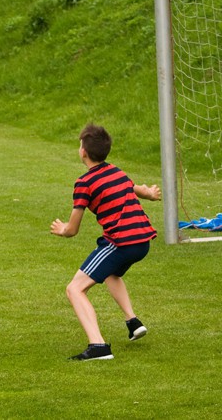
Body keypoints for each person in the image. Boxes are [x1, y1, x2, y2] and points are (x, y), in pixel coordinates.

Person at [50, 124, 161, 361]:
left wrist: (62, 230)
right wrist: (149, 194)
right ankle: (133, 322)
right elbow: (134, 188)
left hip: (121, 243)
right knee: (112, 274)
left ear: (83, 152)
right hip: (142, 241)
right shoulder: (116, 172)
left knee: (74, 289)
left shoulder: (84, 183)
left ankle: (98, 346)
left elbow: (73, 229)